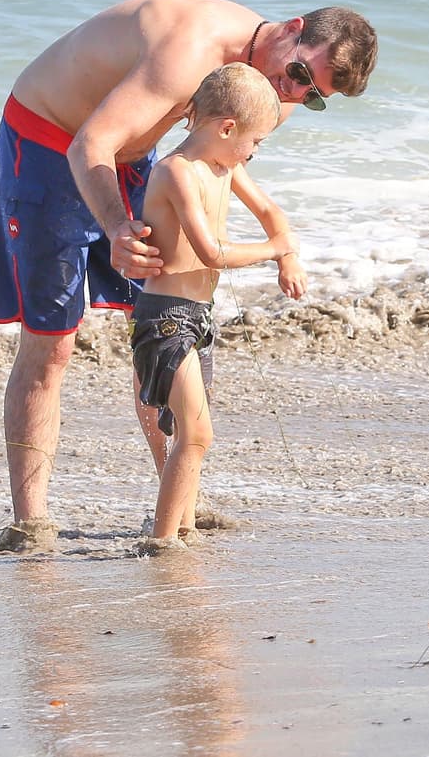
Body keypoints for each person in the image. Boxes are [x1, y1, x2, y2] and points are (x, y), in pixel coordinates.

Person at [0, 0, 377, 550]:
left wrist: (275, 240)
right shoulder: (191, 49)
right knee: (52, 343)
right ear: (292, 30)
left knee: (156, 323)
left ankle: (176, 498)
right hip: (52, 140)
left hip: (130, 156)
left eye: (312, 97)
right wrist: (120, 228)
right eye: (296, 75)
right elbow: (91, 142)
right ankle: (31, 522)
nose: (291, 96)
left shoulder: (275, 84)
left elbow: (215, 163)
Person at [131, 63, 298, 549]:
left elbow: (271, 213)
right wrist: (271, 250)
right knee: (197, 433)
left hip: (199, 318)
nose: (254, 151)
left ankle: (182, 527)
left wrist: (287, 255)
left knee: (192, 432)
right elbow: (211, 252)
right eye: (256, 141)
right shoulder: (177, 172)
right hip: (164, 318)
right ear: (227, 128)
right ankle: (161, 541)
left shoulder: (226, 167)